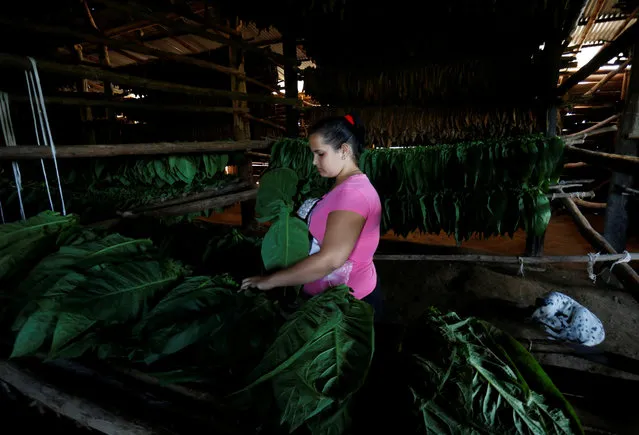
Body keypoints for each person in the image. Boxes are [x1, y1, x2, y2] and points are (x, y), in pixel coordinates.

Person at [241, 114, 384, 319]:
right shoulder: (344, 186)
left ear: (343, 150)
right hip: (332, 302)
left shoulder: (353, 194)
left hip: (346, 309)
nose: (314, 161)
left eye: (320, 154)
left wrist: (269, 281)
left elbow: (330, 261)